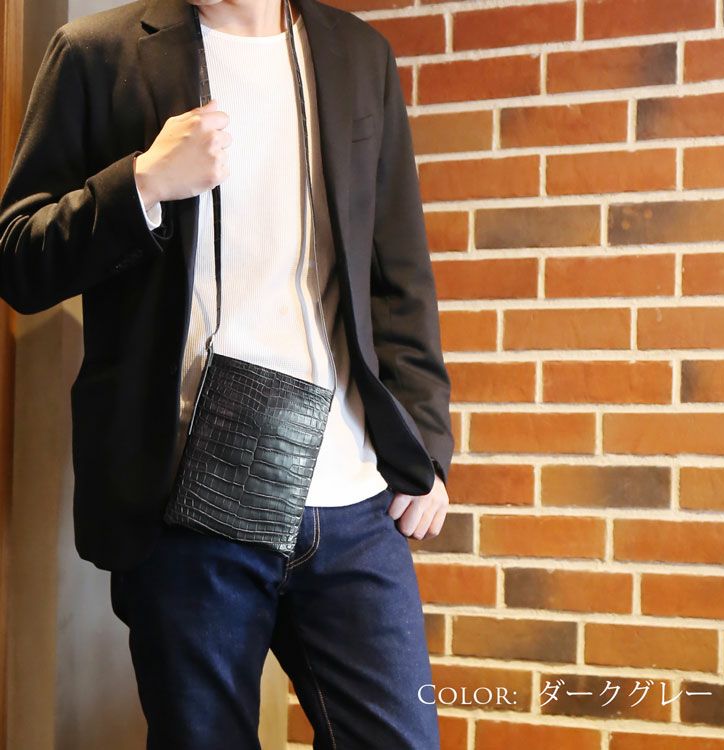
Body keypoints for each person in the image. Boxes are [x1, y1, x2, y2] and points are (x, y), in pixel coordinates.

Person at [0, 0, 454, 746]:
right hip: (187, 503)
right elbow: (19, 256)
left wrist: (426, 443)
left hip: (352, 496)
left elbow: (398, 269)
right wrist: (142, 183)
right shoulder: (96, 53)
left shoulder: (357, 54)